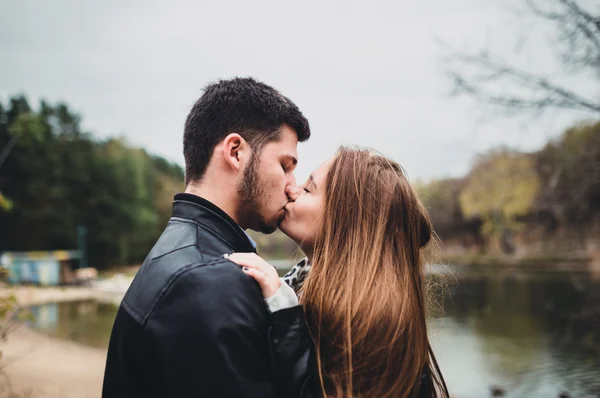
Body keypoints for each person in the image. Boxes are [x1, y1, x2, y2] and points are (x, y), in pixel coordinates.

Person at [102, 77, 311, 397]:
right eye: (285, 165)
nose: (292, 185)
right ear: (236, 152)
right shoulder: (211, 284)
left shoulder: (181, 251)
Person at [227, 147, 450, 398]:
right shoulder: (310, 292)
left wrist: (285, 317)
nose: (292, 189)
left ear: (347, 220)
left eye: (309, 189)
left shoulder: (374, 326)